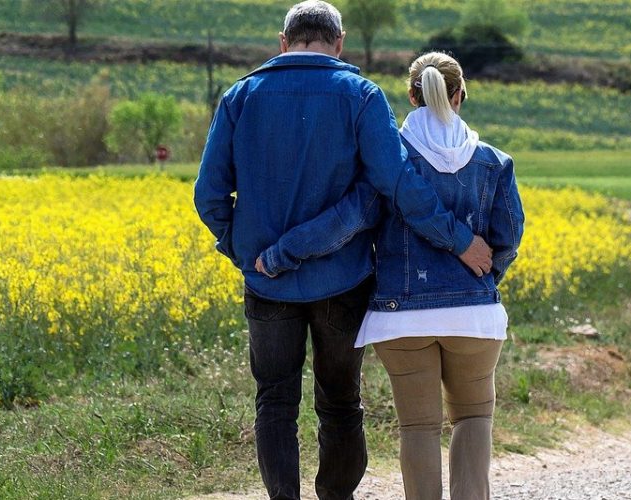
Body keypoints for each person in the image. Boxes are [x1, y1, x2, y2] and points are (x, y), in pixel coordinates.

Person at [192, 2, 494, 499]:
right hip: (343, 280)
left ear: (284, 41)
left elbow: (208, 195)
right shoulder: (361, 95)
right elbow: (397, 183)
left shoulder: (240, 97)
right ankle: (337, 495)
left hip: (266, 283)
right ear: (340, 42)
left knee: (274, 400)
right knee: (339, 401)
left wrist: (242, 250)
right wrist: (458, 239)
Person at [258, 52, 523, 500]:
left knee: (419, 426)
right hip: (474, 319)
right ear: (460, 96)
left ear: (410, 95)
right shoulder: (494, 162)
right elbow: (508, 237)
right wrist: (480, 278)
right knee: (473, 418)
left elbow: (346, 221)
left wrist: (283, 252)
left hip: (401, 319)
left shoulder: (390, 165)